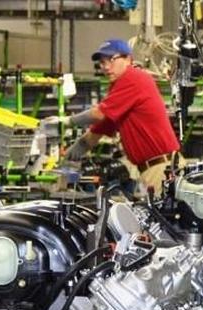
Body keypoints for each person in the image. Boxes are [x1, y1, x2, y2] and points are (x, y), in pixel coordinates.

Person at [41, 39, 181, 196]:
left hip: (160, 168)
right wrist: (72, 154)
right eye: (101, 62)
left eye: (111, 60)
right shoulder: (119, 87)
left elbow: (98, 114)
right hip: (152, 168)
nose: (106, 67)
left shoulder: (133, 77)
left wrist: (66, 122)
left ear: (128, 59)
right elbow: (101, 127)